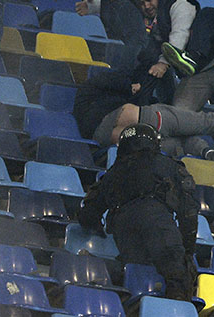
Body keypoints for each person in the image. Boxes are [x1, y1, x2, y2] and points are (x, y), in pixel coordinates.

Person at [78, 124, 199, 300]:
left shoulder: (112, 173)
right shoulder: (168, 165)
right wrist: (187, 251)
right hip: (156, 220)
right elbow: (189, 212)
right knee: (178, 280)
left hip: (123, 227)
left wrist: (94, 225)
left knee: (133, 278)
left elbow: (88, 212)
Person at [92, 99, 214, 158]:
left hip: (140, 142)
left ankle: (207, 152)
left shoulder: (98, 135)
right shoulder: (100, 120)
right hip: (152, 120)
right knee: (205, 121)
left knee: (183, 144)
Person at [134, 0, 198, 103]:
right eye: (142, 3)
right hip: (188, 72)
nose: (146, 6)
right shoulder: (156, 13)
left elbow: (179, 36)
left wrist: (163, 63)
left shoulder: (180, 4)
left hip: (211, 66)